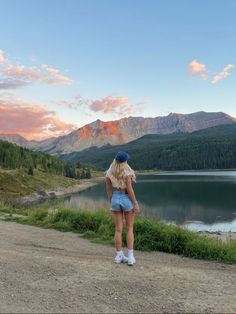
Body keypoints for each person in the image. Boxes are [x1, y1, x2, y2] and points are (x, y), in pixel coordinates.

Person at [105, 151, 140, 266]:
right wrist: (135, 203)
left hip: (115, 197)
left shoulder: (110, 171)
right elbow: (129, 189)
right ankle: (130, 257)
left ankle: (119, 255)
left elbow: (108, 188)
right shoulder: (127, 171)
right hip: (126, 197)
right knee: (129, 228)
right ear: (124, 161)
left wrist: (112, 201)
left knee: (118, 229)